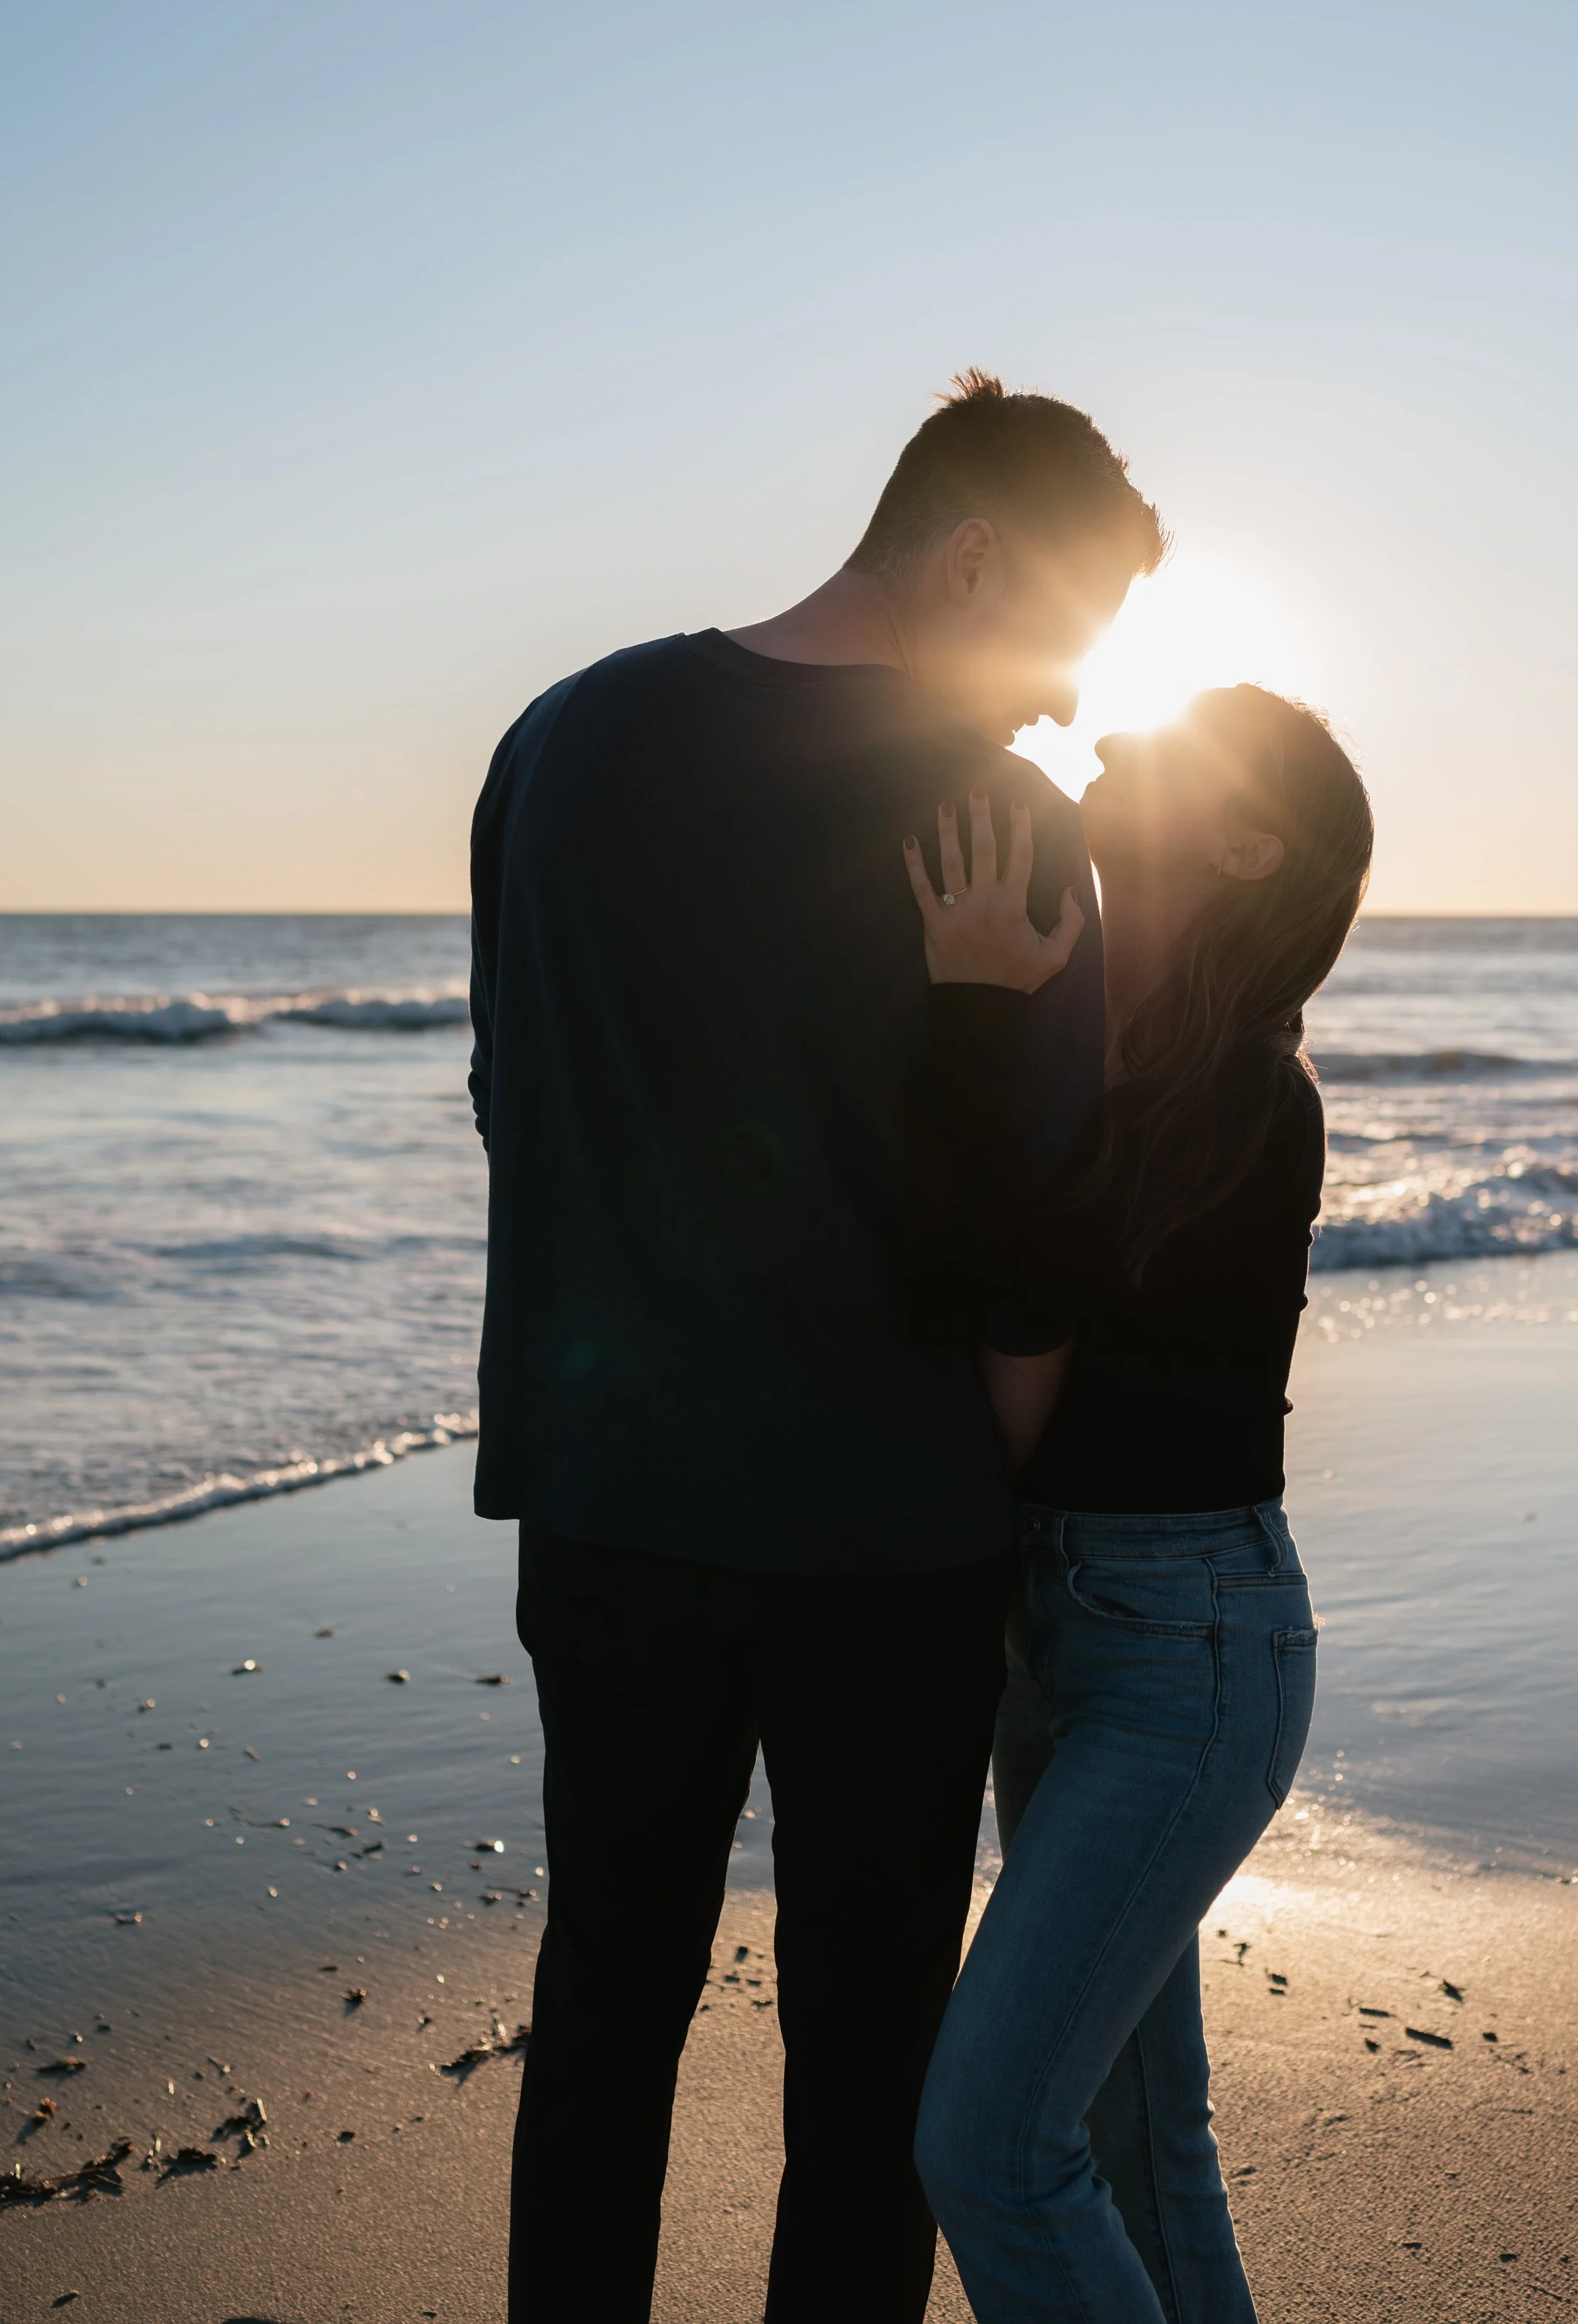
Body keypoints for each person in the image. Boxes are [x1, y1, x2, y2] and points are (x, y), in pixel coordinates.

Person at [466, 371, 1165, 2323]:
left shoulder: (559, 738)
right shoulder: (1002, 822)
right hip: (885, 1535)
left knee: (605, 2004)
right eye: (1059, 636)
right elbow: (1036, 1261)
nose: (1060, 699)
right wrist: (990, 1470)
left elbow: (513, 1105)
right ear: (970, 557)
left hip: (605, 1511)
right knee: (865, 2064)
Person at [902, 686, 1374, 2323]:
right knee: (1131, 2139)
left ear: (1247, 840)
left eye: (1175, 742)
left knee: (987, 2147)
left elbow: (1019, 1291)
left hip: (1190, 1648)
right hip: (1069, 1639)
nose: (1111, 742)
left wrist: (978, 1016)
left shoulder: (1250, 1101)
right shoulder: (1104, 1028)